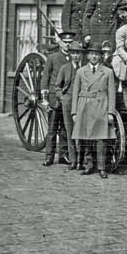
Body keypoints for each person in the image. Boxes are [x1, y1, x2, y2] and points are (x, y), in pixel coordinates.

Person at [71, 42, 116, 179]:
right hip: (84, 106)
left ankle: (102, 168)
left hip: (101, 106)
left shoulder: (108, 72)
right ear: (88, 56)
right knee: (86, 138)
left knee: (101, 139)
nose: (94, 56)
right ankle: (88, 165)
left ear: (101, 56)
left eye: (97, 54)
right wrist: (74, 112)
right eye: (92, 54)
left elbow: (111, 93)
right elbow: (75, 92)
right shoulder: (80, 72)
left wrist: (110, 113)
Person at [42, 31, 76, 166]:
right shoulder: (53, 57)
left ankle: (63, 155)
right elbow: (45, 78)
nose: (67, 45)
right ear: (60, 43)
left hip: (67, 99)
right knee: (52, 129)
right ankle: (49, 156)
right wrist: (44, 98)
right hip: (55, 98)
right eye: (65, 42)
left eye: (70, 43)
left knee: (65, 129)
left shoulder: (75, 58)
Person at [54, 41, 83, 171]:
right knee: (70, 131)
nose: (76, 56)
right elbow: (57, 87)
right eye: (73, 53)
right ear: (70, 54)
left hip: (82, 102)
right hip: (68, 101)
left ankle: (81, 161)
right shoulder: (64, 68)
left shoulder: (85, 68)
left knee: (82, 132)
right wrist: (63, 98)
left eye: (78, 53)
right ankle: (73, 160)